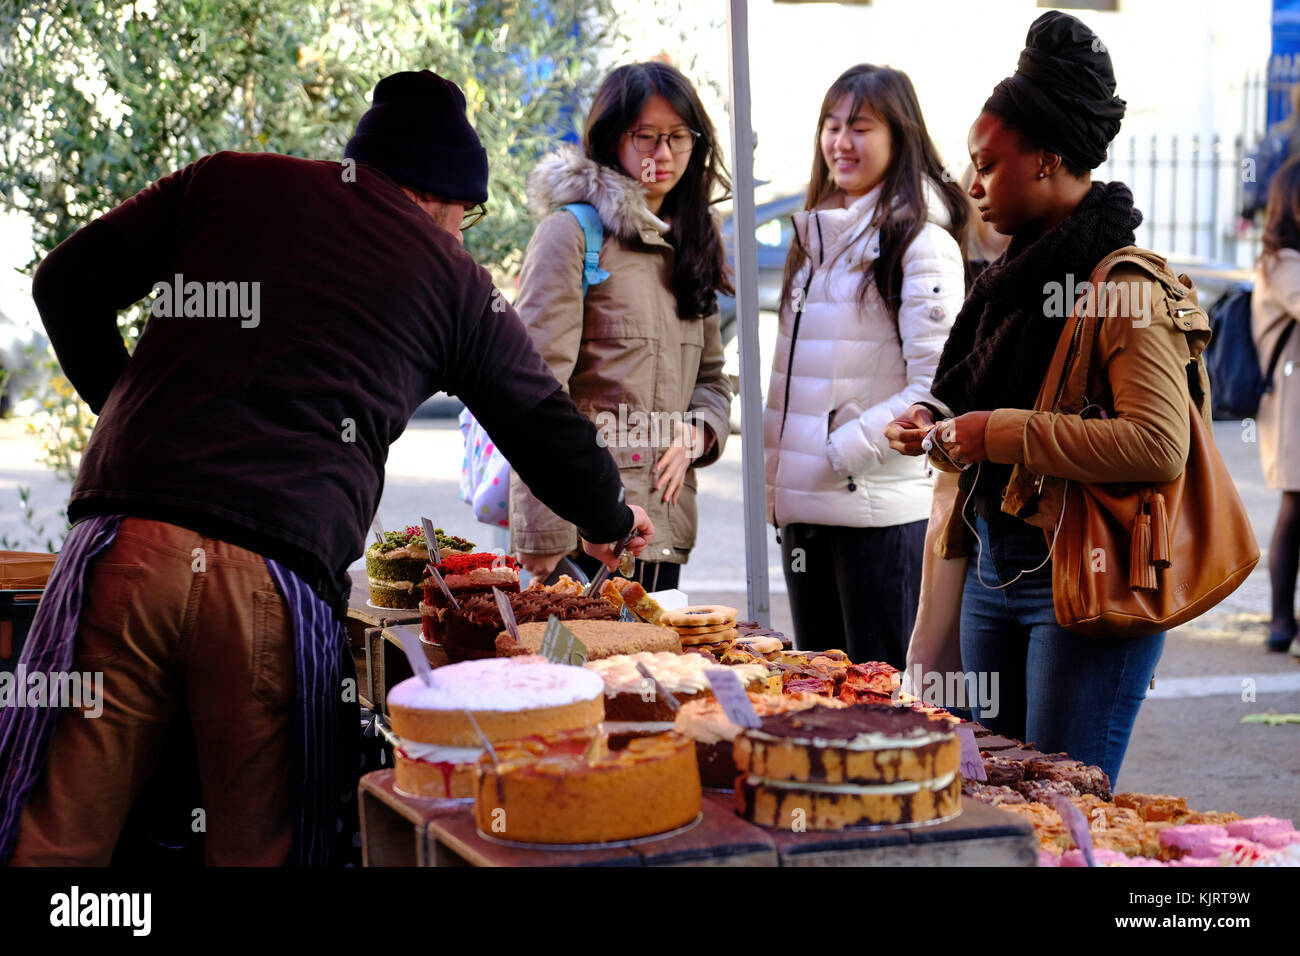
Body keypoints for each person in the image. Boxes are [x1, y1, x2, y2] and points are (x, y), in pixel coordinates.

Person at [0, 69, 653, 866]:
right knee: (264, 847)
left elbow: (64, 283)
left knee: (51, 837)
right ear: (447, 200)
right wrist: (614, 518)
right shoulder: (451, 279)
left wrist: (136, 418)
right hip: (275, 573)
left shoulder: (228, 178)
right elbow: (542, 423)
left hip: (125, 545)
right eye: (466, 218)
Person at [885, 11, 1192, 785]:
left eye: (987, 164)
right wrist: (939, 422)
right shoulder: (1012, 283)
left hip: (1085, 578)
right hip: (996, 566)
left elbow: (1160, 445)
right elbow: (985, 394)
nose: (971, 184)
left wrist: (1001, 433)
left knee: (1065, 805)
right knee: (996, 796)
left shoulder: (1123, 284)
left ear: (1048, 160)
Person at [763, 64, 967, 667]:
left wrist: (844, 447)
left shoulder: (920, 244)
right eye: (831, 125)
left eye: (860, 126)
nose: (840, 142)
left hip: (876, 514)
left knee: (883, 711)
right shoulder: (816, 239)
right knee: (823, 701)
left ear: (898, 137)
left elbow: (939, 385)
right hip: (807, 512)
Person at [509, 62, 732, 593]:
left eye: (679, 137)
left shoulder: (694, 243)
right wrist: (543, 542)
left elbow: (714, 380)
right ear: (612, 139)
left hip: (665, 530)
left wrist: (699, 432)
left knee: (654, 677)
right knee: (577, 677)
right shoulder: (570, 236)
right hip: (586, 537)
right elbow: (533, 398)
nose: (664, 154)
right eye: (647, 137)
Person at [1251, 154, 1300, 658]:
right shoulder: (1282, 263)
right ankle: (1281, 620)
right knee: (1294, 505)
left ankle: (1286, 620)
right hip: (1291, 405)